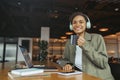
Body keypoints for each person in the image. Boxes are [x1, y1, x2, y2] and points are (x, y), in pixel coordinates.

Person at [57, 12, 114, 80]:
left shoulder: (97, 38)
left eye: (81, 22)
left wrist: (85, 45)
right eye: (74, 22)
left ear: (87, 24)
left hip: (98, 77)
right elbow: (64, 59)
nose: (77, 25)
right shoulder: (70, 41)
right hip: (80, 76)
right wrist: (67, 64)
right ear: (71, 26)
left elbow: (103, 63)